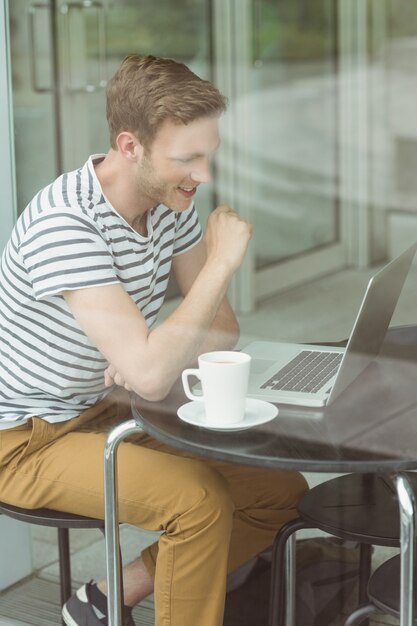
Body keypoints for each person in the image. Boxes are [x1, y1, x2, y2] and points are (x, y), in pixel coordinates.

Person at [0, 55, 308, 626]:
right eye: (188, 158)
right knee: (198, 501)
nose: (204, 174)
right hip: (25, 441)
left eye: (207, 154)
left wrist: (151, 355)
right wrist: (221, 263)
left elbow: (222, 332)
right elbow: (151, 371)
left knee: (280, 490)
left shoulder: (170, 203)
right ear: (130, 145)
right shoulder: (65, 225)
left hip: (109, 409)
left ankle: (111, 594)